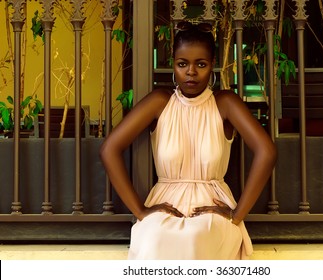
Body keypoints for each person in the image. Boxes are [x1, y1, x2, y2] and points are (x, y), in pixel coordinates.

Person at [100, 21, 277, 260]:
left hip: (213, 206)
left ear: (212, 66)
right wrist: (140, 211)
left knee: (199, 236)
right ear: (173, 64)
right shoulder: (159, 102)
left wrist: (237, 215)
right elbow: (109, 149)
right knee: (155, 236)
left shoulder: (225, 103)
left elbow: (267, 152)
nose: (191, 72)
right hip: (165, 205)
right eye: (182, 64)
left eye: (200, 64)